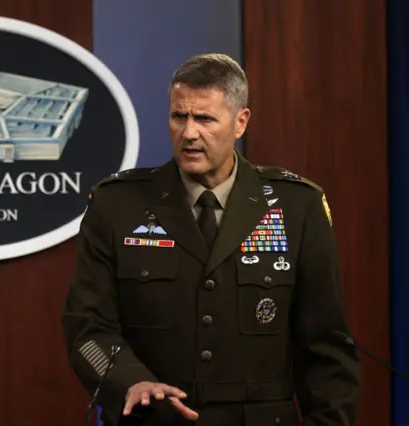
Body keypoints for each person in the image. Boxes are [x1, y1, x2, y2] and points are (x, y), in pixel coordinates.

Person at [60, 53, 360, 426]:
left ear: (240, 122)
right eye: (178, 117)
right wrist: (128, 380)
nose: (188, 133)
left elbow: (326, 347)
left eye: (204, 119)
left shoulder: (298, 207)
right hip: (154, 419)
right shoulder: (116, 205)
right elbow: (88, 329)